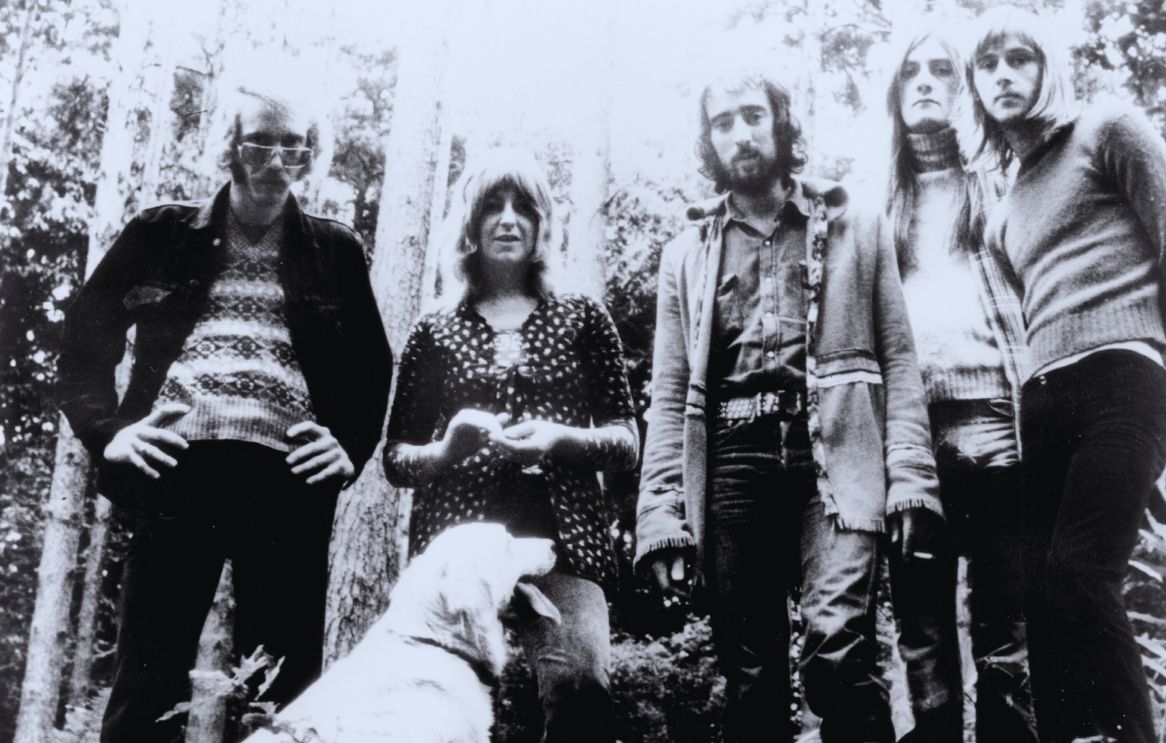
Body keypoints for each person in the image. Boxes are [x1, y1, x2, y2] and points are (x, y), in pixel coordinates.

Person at [56, 80, 392, 742]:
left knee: (284, 687)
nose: (274, 159)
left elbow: (371, 367)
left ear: (309, 154)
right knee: (147, 680)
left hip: (287, 482)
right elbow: (82, 339)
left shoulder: (336, 250)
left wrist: (349, 445)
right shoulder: (161, 233)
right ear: (229, 149)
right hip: (177, 472)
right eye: (258, 141)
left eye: (291, 145)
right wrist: (109, 433)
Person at [634, 70, 943, 743]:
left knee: (838, 647)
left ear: (779, 123)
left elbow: (898, 358)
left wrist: (911, 477)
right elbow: (667, 393)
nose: (740, 133)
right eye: (723, 122)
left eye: (752, 115)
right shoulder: (685, 254)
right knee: (750, 675)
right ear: (709, 140)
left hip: (830, 455)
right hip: (729, 464)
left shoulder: (855, 226)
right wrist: (660, 511)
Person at [967, 8, 1166, 742]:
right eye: (988, 64)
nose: (1003, 74)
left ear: (1046, 68)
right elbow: (1033, 315)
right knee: (1041, 600)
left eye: (1019, 58)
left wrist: (1140, 357)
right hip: (1041, 401)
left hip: (1122, 382)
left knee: (1080, 573)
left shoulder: (1106, 127)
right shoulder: (1003, 205)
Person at [383, 151, 637, 743]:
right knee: (440, 704)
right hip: (455, 549)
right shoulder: (435, 329)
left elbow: (626, 443)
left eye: (524, 206)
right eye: (491, 206)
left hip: (563, 542)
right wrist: (446, 451)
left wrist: (561, 440)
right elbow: (397, 457)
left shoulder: (582, 318)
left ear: (543, 223)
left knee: (581, 686)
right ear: (469, 224)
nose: (507, 219)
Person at [878, 28, 1037, 743]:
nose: (925, 82)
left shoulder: (1007, 184)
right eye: (910, 71)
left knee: (1005, 631)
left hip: (999, 425)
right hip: (909, 439)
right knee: (923, 636)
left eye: (942, 69)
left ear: (965, 87)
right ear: (892, 93)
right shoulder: (874, 208)